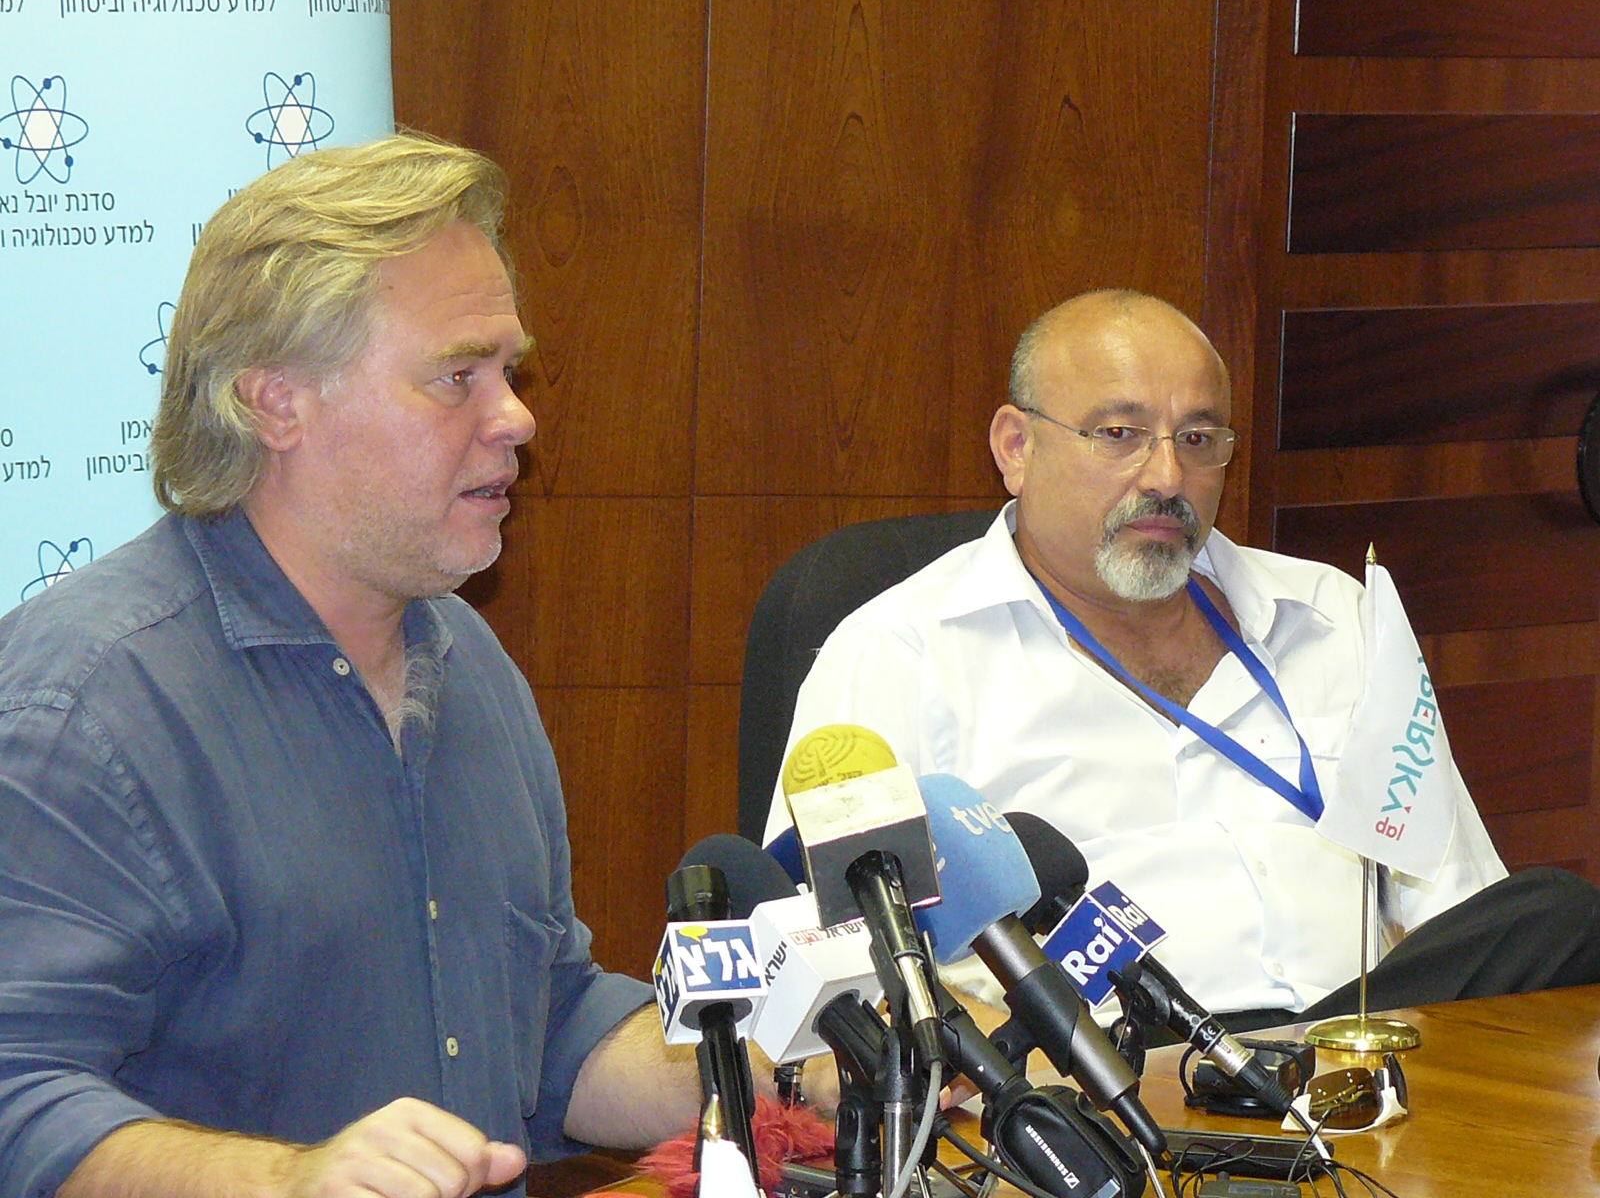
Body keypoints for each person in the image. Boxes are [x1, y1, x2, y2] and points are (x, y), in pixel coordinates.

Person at [0, 135, 724, 1198]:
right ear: (277, 403)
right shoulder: (86, 706)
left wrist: (760, 1068)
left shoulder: (466, 658)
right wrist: (294, 1183)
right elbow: (18, 1100)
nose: (517, 417)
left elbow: (545, 1022)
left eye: (509, 371)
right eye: (458, 377)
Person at [764, 289, 1600, 1031]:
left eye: (1198, 438)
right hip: (1109, 1067)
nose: (1167, 476)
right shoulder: (898, 652)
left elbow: (1450, 896)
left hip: (1347, 1039)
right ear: (1016, 447)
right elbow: (819, 958)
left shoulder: (1332, 615)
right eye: (1119, 434)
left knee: (1557, 917)